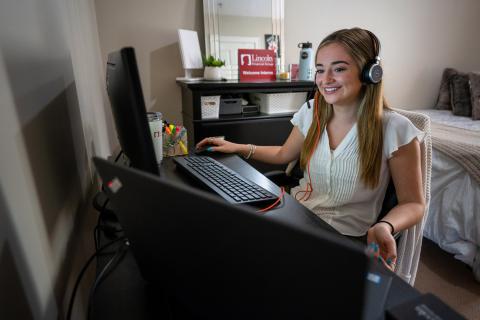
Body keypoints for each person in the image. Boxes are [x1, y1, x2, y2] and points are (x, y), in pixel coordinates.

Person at [196, 28, 425, 272]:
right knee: (219, 242)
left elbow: (413, 203)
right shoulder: (312, 111)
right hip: (296, 217)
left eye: (338, 69)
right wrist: (237, 147)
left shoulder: (395, 129)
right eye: (319, 70)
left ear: (370, 74)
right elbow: (283, 155)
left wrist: (385, 226)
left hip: (345, 238)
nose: (325, 79)